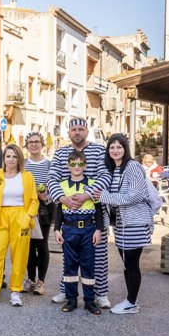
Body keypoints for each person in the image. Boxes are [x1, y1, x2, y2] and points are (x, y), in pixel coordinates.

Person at [47, 118, 112, 308]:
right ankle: (66, 291)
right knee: (70, 257)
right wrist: (63, 198)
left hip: (93, 210)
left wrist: (87, 195)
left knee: (98, 256)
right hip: (68, 212)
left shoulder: (99, 151)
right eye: (74, 129)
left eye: (81, 129)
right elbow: (52, 178)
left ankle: (101, 294)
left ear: (87, 131)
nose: (77, 132)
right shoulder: (60, 153)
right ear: (68, 132)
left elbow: (105, 175)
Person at [94, 134, 154, 315]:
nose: (115, 150)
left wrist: (105, 196)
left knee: (132, 263)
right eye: (111, 147)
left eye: (119, 147)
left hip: (135, 223)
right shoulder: (114, 168)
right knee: (127, 263)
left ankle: (132, 302)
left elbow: (135, 195)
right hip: (121, 225)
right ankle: (131, 300)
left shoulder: (133, 167)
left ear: (125, 149)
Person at [0, 145, 38, 307]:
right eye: (8, 156)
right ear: (3, 158)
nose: (11, 160)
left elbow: (34, 200)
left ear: (19, 158)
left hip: (20, 218)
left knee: (19, 256)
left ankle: (16, 291)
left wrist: (28, 216)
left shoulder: (27, 177)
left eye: (14, 157)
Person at [54, 150, 104, 315]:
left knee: (88, 266)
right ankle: (72, 299)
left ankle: (89, 301)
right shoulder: (62, 185)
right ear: (68, 166)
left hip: (88, 229)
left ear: (85, 165)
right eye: (73, 164)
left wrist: (98, 229)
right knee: (70, 265)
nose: (76, 167)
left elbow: (98, 209)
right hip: (69, 230)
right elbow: (59, 210)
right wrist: (56, 229)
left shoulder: (92, 184)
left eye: (80, 163)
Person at [24, 132, 53, 295]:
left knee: (42, 245)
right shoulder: (24, 164)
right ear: (27, 145)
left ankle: (41, 281)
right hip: (26, 209)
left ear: (42, 144)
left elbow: (54, 183)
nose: (33, 144)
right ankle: (31, 279)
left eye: (36, 142)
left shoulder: (49, 163)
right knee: (28, 246)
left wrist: (46, 196)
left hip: (43, 210)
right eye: (30, 142)